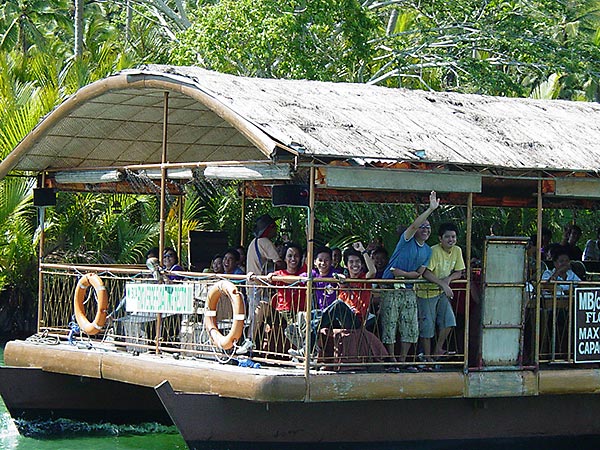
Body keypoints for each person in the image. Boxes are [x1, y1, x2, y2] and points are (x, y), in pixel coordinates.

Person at [379, 191, 440, 370]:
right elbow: (414, 226)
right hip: (391, 287)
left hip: (408, 288)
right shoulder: (406, 240)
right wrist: (430, 209)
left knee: (410, 325)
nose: (425, 230)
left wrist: (402, 273)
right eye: (423, 226)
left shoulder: (428, 250)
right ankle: (391, 359)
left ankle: (403, 360)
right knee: (390, 324)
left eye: (428, 227)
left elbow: (418, 273)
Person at [288, 244, 375, 358]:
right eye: (351, 262)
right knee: (313, 314)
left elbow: (372, 271)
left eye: (357, 262)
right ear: (346, 265)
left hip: (355, 320)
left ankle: (308, 349)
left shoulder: (364, 279)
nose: (355, 264)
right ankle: (309, 350)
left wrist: (363, 250)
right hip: (339, 320)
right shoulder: (343, 281)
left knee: (338, 304)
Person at [416, 222, 464, 362]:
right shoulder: (434, 251)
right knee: (427, 327)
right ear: (440, 239)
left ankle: (437, 350)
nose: (451, 240)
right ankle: (427, 357)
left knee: (449, 321)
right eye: (447, 237)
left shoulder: (457, 250)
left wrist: (448, 279)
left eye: (453, 237)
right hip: (426, 293)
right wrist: (443, 284)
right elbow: (425, 273)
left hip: (440, 292)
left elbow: (459, 272)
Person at [238, 214, 285, 354]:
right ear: (269, 228)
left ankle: (251, 347)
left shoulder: (253, 243)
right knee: (258, 320)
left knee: (255, 319)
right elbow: (278, 263)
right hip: (261, 289)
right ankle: (250, 345)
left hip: (252, 287)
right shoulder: (265, 242)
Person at [270, 243, 307, 325]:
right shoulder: (278, 273)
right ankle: (250, 332)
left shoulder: (303, 273)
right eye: (290, 256)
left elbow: (308, 256)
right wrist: (252, 276)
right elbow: (262, 283)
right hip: (281, 312)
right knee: (262, 305)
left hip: (299, 313)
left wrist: (281, 278)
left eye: (296, 256)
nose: (293, 259)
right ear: (285, 258)